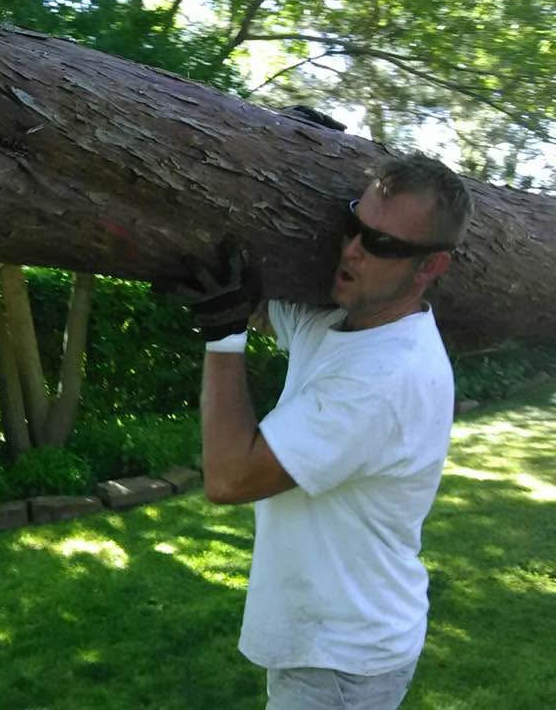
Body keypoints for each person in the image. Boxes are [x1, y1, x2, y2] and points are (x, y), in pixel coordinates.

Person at [172, 153, 473, 709]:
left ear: (430, 267)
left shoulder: (383, 378)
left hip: (340, 659)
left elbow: (230, 478)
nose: (353, 249)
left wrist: (222, 337)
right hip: (331, 643)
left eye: (381, 245)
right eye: (353, 224)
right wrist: (276, 143)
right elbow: (260, 304)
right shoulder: (342, 319)